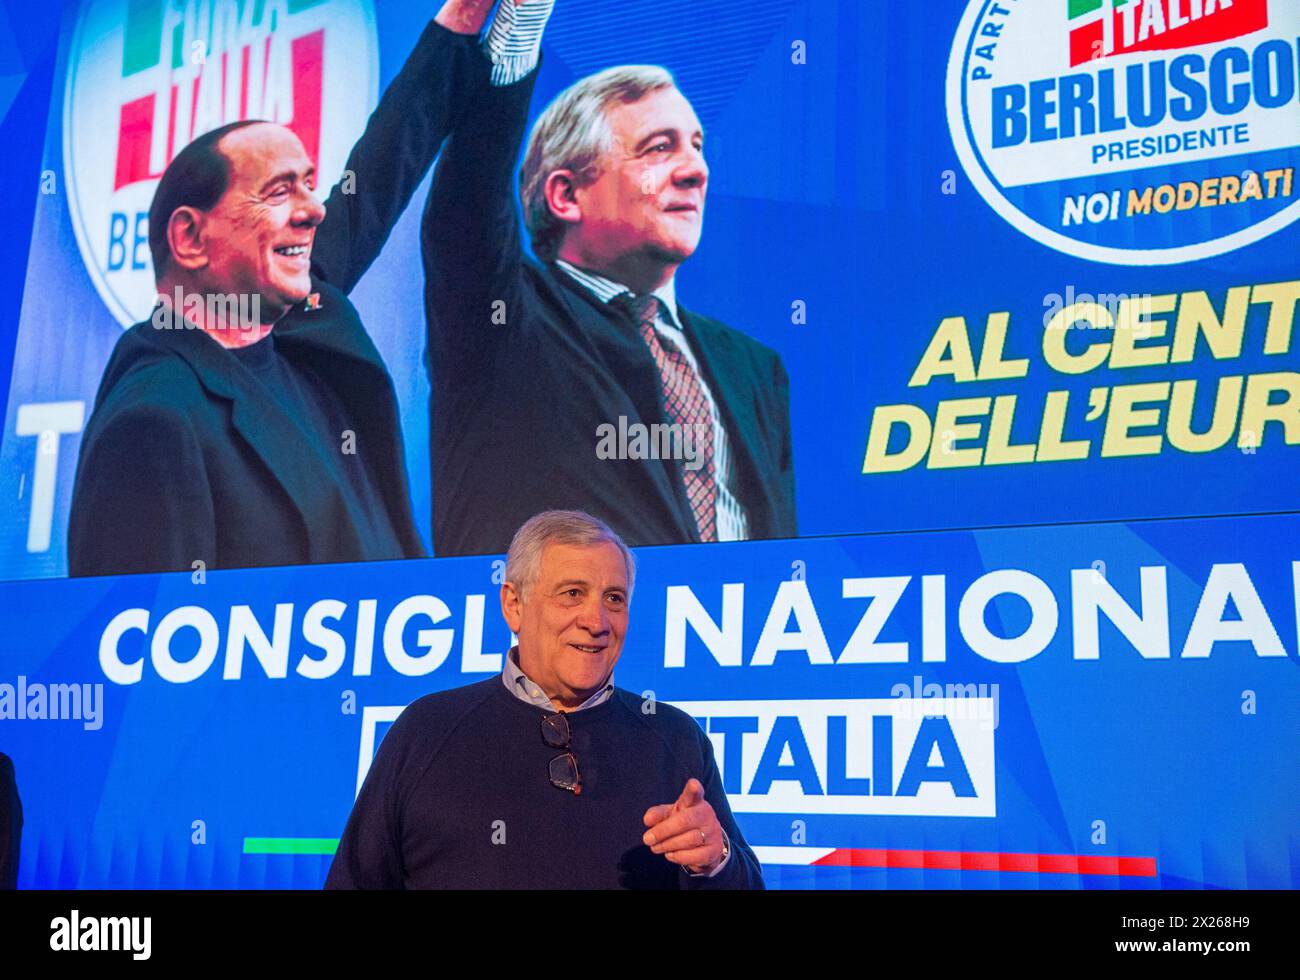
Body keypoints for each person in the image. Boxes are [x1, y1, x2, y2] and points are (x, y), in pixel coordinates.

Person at [66, 0, 549, 577]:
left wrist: (464, 21)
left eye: (310, 186)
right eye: (278, 192)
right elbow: (143, 652)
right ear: (191, 238)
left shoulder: (296, 310)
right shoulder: (152, 423)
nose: (314, 210)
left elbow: (375, 178)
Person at [421, 1, 798, 557]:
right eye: (659, 148)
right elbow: (465, 206)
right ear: (566, 195)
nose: (697, 170)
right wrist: (519, 25)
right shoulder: (501, 319)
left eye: (696, 145)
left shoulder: (754, 368)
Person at [325, 510, 764, 889]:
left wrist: (716, 861)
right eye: (573, 593)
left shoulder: (675, 737)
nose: (596, 621)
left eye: (614, 598)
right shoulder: (427, 729)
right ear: (513, 605)